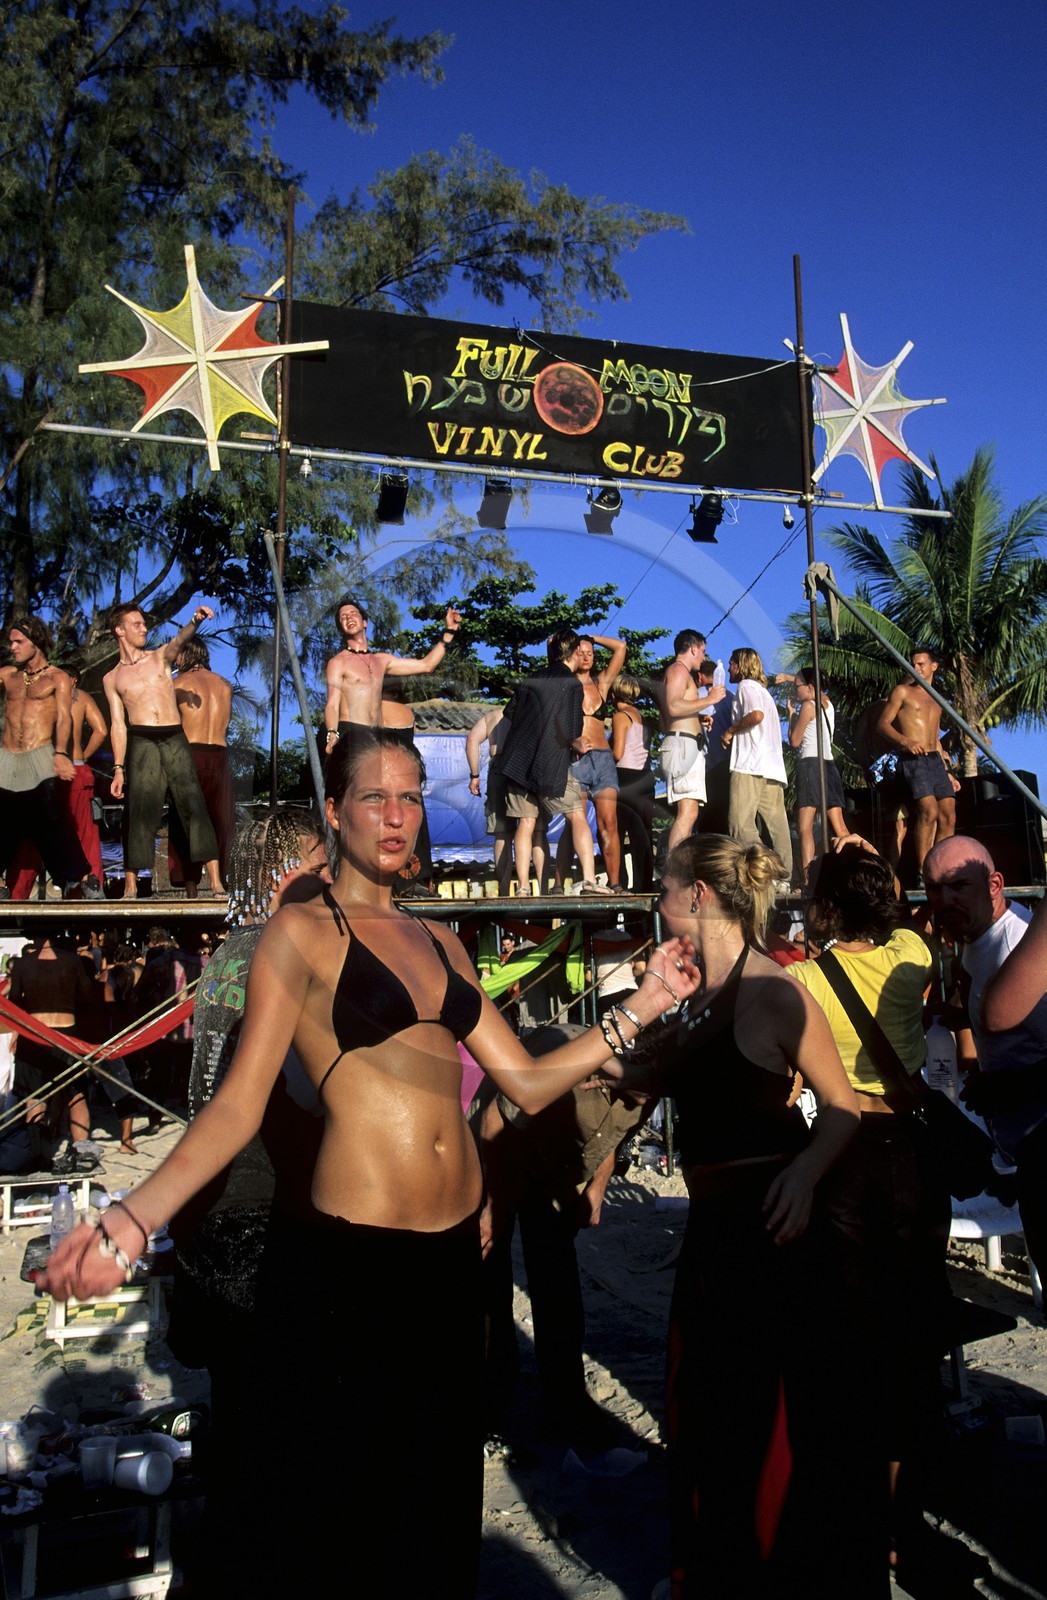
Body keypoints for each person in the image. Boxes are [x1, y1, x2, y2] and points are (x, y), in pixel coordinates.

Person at [41, 726, 698, 1597]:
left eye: (412, 797)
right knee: (341, 1505)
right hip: (350, 1259)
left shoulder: (444, 944)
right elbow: (238, 1103)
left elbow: (528, 1083)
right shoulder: (300, 935)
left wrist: (639, 1008)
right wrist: (131, 1220)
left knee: (432, 1499)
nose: (397, 816)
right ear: (336, 813)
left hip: (449, 1263)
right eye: (376, 797)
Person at [640, 834, 867, 1599]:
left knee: (762, 1418)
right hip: (712, 1231)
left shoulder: (775, 990)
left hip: (769, 1230)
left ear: (697, 896)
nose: (655, 901)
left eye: (663, 888)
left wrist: (804, 1174)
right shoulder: (697, 992)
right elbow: (644, 1079)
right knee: (707, 1411)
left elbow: (840, 1108)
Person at [166, 808, 330, 1599]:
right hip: (258, 1201)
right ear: (276, 873)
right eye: (312, 862)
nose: (327, 874)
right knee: (273, 1416)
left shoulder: (230, 948)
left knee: (241, 1409)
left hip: (216, 1198)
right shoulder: (276, 946)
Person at [788, 838, 950, 1581]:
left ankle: (854, 1500)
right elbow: (905, 914)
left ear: (825, 907)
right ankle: (905, 1510)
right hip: (913, 1154)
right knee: (914, 1321)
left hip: (847, 1151)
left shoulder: (809, 981)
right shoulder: (914, 951)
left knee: (854, 1327)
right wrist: (871, 857)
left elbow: (801, 1079)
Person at [473, 1020, 655, 1451]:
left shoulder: (645, 1081)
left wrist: (596, 1189)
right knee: (489, 1275)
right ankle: (492, 1394)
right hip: (498, 1149)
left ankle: (565, 1397)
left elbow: (615, 1128)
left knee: (555, 1274)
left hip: (550, 1162)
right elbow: (495, 1124)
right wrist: (493, 1210)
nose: (648, 1102)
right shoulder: (568, 1067)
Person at [924, 835, 1047, 1288]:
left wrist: (1007, 1086)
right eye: (934, 889)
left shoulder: (1022, 946)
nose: (943, 900)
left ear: (995, 884)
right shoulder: (976, 939)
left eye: (958, 887)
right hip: (1022, 1150)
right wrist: (951, 1016)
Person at [103, 603, 219, 899]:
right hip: (141, 739)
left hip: (173, 735)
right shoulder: (112, 677)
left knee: (193, 805)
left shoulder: (158, 658)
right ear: (120, 630)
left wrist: (195, 620)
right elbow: (118, 725)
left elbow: (179, 641)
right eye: (137, 624)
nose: (144, 628)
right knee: (139, 811)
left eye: (144, 623)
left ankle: (217, 880)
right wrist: (118, 768)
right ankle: (130, 886)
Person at [0, 617, 100, 900]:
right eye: (11, 641)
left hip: (41, 755)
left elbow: (64, 720)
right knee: (4, 819)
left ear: (36, 641)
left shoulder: (56, 677)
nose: (13, 647)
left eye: (19, 641)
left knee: (51, 818)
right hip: (7, 757)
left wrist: (60, 753)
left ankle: (82, 877)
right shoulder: (8, 675)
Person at [498, 629, 598, 896]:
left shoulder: (533, 677)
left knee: (526, 823)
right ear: (577, 652)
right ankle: (589, 880)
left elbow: (510, 712)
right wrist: (575, 741)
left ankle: (521, 887)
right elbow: (570, 727)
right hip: (550, 762)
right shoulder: (572, 685)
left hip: (518, 760)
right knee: (576, 816)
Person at [322, 594, 461, 751]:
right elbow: (332, 705)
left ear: (364, 622)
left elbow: (426, 665)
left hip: (376, 735)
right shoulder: (338, 662)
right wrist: (332, 733)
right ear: (341, 630)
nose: (349, 617)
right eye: (343, 617)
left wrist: (449, 632)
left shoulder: (381, 660)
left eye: (353, 613)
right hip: (351, 732)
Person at [7, 933, 96, 1167]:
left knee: (35, 1096)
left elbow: (15, 1003)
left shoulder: (23, 964)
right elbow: (87, 995)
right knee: (75, 1095)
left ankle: (40, 1154)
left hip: (36, 1033)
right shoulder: (71, 961)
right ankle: (81, 1149)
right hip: (67, 1032)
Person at [875, 647, 959, 881]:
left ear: (934, 667)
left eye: (921, 664)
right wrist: (904, 741)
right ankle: (924, 871)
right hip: (912, 759)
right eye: (913, 664)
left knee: (949, 815)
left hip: (934, 760)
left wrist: (948, 770)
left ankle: (941, 865)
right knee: (928, 810)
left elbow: (935, 738)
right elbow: (882, 725)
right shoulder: (902, 691)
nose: (916, 668)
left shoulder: (937, 699)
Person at [169, 637, 235, 897]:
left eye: (178, 655)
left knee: (185, 821)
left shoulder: (178, 683)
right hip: (220, 754)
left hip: (191, 753)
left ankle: (191, 887)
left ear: (187, 654)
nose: (175, 659)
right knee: (219, 820)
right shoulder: (225, 685)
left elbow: (170, 726)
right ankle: (218, 882)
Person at [563, 631, 627, 889]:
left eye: (591, 653)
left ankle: (615, 883)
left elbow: (621, 648)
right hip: (574, 760)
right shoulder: (564, 685)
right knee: (574, 825)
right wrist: (571, 742)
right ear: (572, 655)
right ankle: (561, 881)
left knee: (608, 823)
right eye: (581, 652)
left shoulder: (601, 684)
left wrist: (591, 637)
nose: (587, 656)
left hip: (602, 759)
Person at [722, 646, 791, 879]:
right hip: (772, 768)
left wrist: (730, 730)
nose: (729, 668)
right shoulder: (765, 692)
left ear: (740, 665)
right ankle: (785, 878)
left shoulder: (746, 687)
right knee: (778, 828)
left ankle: (764, 870)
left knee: (739, 825)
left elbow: (756, 716)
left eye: (732, 663)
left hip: (749, 765)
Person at [657, 629, 726, 855]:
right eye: (703, 652)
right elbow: (673, 707)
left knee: (690, 812)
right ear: (693, 648)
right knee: (687, 813)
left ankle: (677, 868)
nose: (704, 658)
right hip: (683, 747)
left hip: (685, 745)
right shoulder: (678, 671)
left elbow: (668, 714)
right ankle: (674, 870)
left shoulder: (678, 673)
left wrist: (697, 718)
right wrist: (709, 699)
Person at [786, 668, 848, 877]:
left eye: (797, 687)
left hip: (810, 765)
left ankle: (806, 877)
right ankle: (854, 865)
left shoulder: (807, 707)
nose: (795, 691)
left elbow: (794, 741)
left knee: (805, 826)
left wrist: (792, 716)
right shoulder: (827, 704)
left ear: (810, 687)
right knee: (839, 826)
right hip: (829, 765)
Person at [610, 671, 655, 891]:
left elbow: (618, 753)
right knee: (642, 834)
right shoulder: (643, 717)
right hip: (645, 777)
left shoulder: (620, 717)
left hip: (624, 776)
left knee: (616, 832)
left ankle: (619, 882)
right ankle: (644, 884)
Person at [466, 705, 514, 894]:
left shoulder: (491, 717)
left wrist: (474, 775)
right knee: (533, 830)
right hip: (524, 764)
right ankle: (534, 886)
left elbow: (471, 740)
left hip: (498, 767)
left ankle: (504, 888)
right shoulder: (528, 709)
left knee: (501, 833)